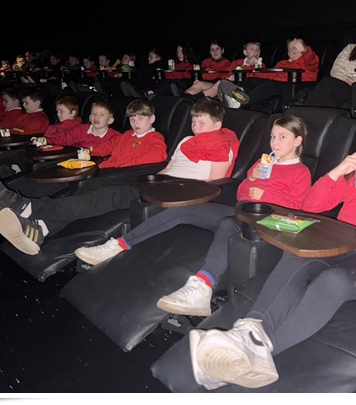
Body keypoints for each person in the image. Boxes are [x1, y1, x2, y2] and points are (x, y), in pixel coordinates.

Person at [186, 116, 356, 390]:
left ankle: (257, 355)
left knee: (335, 280)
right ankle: (248, 330)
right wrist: (338, 171)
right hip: (336, 245)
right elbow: (311, 205)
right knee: (298, 255)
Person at [73, 116, 311, 319]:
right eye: (272, 136)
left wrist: (265, 195)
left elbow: (297, 209)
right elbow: (241, 193)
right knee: (184, 209)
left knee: (228, 223)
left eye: (282, 137)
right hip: (240, 210)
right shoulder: (263, 162)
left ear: (297, 141)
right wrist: (252, 178)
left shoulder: (301, 172)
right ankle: (119, 244)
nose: (274, 142)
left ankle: (202, 287)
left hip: (266, 221)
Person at [0, 98, 237, 255]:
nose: (196, 128)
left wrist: (166, 188)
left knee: (112, 193)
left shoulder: (221, 145)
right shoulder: (185, 141)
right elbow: (167, 168)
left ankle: (29, 208)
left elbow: (212, 184)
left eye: (202, 123)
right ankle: (42, 227)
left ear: (217, 125)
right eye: (194, 122)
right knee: (97, 183)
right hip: (161, 183)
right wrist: (151, 180)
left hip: (180, 192)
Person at [240, 38, 320, 107]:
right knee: (251, 80)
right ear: (288, 53)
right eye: (291, 48)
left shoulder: (307, 63)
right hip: (278, 86)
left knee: (273, 84)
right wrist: (254, 66)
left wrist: (306, 50)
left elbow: (312, 60)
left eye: (297, 47)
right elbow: (267, 75)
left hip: (297, 87)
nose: (293, 49)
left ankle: (242, 102)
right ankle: (238, 96)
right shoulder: (282, 63)